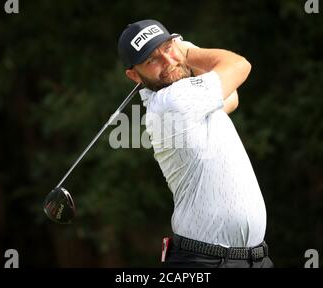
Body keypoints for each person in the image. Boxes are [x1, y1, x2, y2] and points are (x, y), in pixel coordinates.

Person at [117, 19, 273, 268]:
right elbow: (239, 66)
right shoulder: (172, 102)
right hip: (204, 261)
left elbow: (231, 98)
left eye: (167, 48)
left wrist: (181, 58)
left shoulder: (190, 96)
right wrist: (187, 52)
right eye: (152, 60)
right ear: (134, 75)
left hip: (252, 260)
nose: (168, 61)